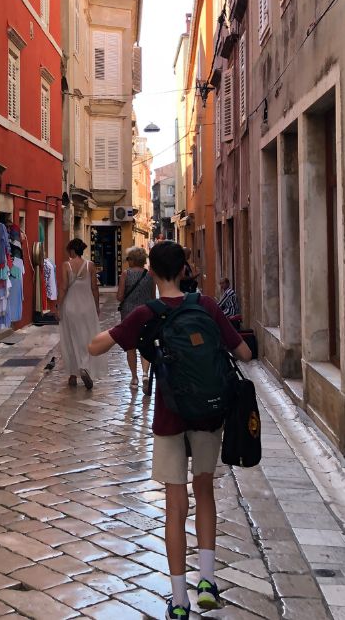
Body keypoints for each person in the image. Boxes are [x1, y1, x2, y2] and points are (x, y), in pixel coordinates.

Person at [88, 241, 252, 619]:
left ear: (152, 271)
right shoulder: (208, 306)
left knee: (175, 507)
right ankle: (207, 581)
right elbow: (243, 353)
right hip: (209, 415)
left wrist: (105, 334)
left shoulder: (148, 313)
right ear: (183, 270)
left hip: (170, 417)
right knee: (205, 491)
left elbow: (96, 347)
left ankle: (179, 601)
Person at [55, 238, 101, 389]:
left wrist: (58, 307)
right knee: (87, 337)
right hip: (87, 306)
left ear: (72, 251)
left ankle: (73, 375)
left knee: (70, 338)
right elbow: (95, 287)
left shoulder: (66, 265)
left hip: (71, 307)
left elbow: (63, 287)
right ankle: (85, 366)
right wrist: (96, 306)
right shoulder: (90, 265)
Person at [116, 246, 156, 391]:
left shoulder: (125, 274)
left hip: (128, 314)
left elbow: (120, 297)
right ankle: (145, 374)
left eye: (128, 259)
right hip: (146, 313)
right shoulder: (150, 275)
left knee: (131, 346)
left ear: (132, 260)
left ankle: (134, 378)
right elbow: (153, 297)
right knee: (145, 343)